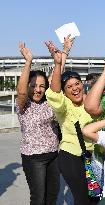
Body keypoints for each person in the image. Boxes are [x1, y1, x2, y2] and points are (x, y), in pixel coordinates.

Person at [44, 39, 99, 205]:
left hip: (93, 155)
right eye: (69, 87)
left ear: (82, 84)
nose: (74, 88)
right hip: (71, 156)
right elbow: (54, 92)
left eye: (77, 84)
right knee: (82, 197)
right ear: (65, 91)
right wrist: (58, 63)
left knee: (95, 197)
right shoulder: (64, 105)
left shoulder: (92, 101)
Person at [16, 42, 60, 205]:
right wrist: (28, 62)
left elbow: (56, 81)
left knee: (53, 195)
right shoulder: (23, 104)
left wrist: (60, 58)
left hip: (54, 155)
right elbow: (21, 91)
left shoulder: (49, 101)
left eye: (42, 86)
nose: (37, 89)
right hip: (34, 159)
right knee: (38, 197)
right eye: (33, 85)